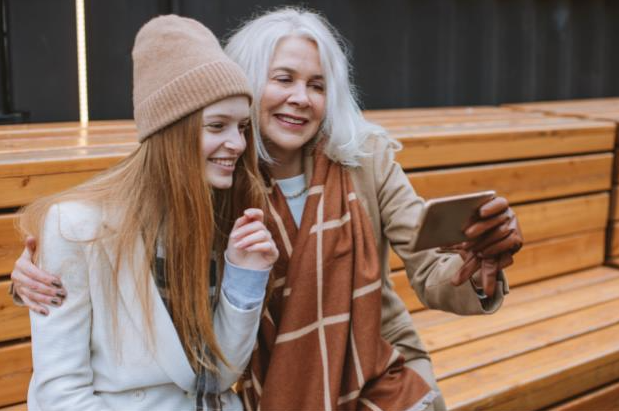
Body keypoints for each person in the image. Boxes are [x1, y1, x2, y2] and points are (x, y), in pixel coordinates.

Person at [12, 7, 523, 411]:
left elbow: (432, 268)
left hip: (378, 368)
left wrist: (477, 271)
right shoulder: (217, 181)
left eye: (317, 85)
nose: (301, 98)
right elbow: (132, 238)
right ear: (247, 83)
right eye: (284, 79)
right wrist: (34, 277)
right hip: (264, 380)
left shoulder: (364, 162)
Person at [15, 15, 278, 411]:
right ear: (171, 131)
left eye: (241, 127)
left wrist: (244, 277)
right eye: (217, 125)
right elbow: (60, 394)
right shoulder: (76, 226)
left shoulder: (225, 211)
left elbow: (220, 377)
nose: (237, 143)